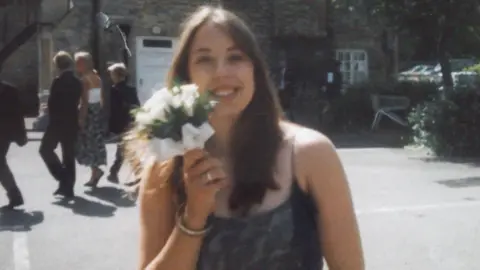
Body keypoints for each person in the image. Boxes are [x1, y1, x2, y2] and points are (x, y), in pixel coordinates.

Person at [133, 6, 364, 270]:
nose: (222, 72)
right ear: (187, 76)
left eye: (235, 57)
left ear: (255, 69)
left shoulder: (310, 155)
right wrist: (194, 216)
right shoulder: (164, 169)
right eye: (204, 60)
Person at [39, 51, 82, 198]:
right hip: (72, 121)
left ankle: (63, 178)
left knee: (45, 150)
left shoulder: (58, 81)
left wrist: (47, 108)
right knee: (68, 155)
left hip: (57, 122)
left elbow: (53, 102)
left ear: (58, 65)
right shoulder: (77, 82)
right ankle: (68, 187)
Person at [74, 51, 107, 187]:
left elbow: (84, 101)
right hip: (97, 111)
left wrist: (81, 118)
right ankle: (95, 172)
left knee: (87, 142)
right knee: (95, 141)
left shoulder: (84, 80)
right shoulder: (97, 78)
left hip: (89, 113)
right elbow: (101, 99)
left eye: (78, 63)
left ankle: (95, 171)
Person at [106, 62, 140, 184]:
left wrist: (111, 127)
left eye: (112, 74)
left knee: (125, 149)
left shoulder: (115, 90)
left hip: (121, 124)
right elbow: (137, 106)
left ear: (116, 75)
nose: (111, 77)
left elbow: (114, 110)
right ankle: (114, 173)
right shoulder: (131, 89)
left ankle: (137, 175)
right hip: (131, 122)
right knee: (126, 149)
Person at [0, 80, 27, 210]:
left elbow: (17, 114)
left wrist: (21, 134)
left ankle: (15, 195)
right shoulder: (10, 90)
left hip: (4, 132)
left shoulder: (9, 91)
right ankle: (15, 195)